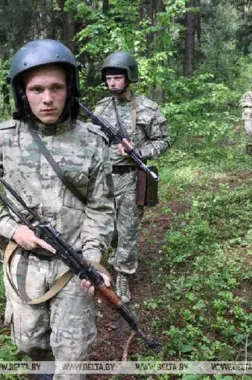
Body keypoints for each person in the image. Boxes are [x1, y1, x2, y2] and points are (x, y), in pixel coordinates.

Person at [0, 39, 114, 379]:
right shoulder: (2, 139)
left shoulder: (92, 142)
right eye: (37, 89)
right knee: (31, 344)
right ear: (22, 93)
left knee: (72, 359)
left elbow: (101, 208)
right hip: (23, 267)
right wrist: (13, 230)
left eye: (56, 87)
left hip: (73, 267)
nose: (47, 98)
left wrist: (93, 258)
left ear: (68, 89)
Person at [94, 51, 170, 304]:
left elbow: (164, 140)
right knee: (106, 228)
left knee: (127, 228)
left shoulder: (148, 108)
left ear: (129, 78)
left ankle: (123, 274)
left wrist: (139, 151)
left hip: (131, 178)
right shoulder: (101, 108)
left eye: (117, 78)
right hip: (103, 179)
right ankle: (104, 265)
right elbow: (91, 143)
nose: (112, 83)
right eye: (108, 79)